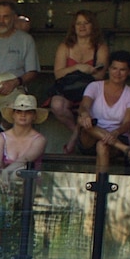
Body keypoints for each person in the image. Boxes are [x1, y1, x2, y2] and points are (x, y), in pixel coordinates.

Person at [0, 94, 47, 259]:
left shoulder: (39, 139)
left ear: (34, 115)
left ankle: (22, 247)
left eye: (27, 111)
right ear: (13, 114)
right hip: (4, 190)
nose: (23, 115)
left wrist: (6, 172)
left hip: (28, 191)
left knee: (17, 179)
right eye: (19, 111)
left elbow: (24, 160)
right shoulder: (0, 137)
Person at [48, 10, 109, 155]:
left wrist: (74, 72)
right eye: (78, 23)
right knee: (57, 105)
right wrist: (78, 67)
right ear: (73, 27)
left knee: (88, 106)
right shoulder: (65, 47)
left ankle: (74, 138)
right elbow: (58, 74)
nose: (82, 26)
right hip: (68, 89)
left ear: (93, 26)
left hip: (90, 90)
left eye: (86, 23)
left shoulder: (100, 47)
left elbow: (99, 76)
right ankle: (80, 132)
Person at [77, 50, 130, 171]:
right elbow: (84, 106)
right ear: (108, 69)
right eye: (114, 68)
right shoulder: (94, 86)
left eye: (122, 69)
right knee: (82, 121)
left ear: (129, 71)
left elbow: (127, 123)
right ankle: (125, 149)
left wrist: (115, 133)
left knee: (103, 145)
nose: (117, 73)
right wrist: (85, 114)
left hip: (116, 136)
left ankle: (100, 186)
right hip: (90, 135)